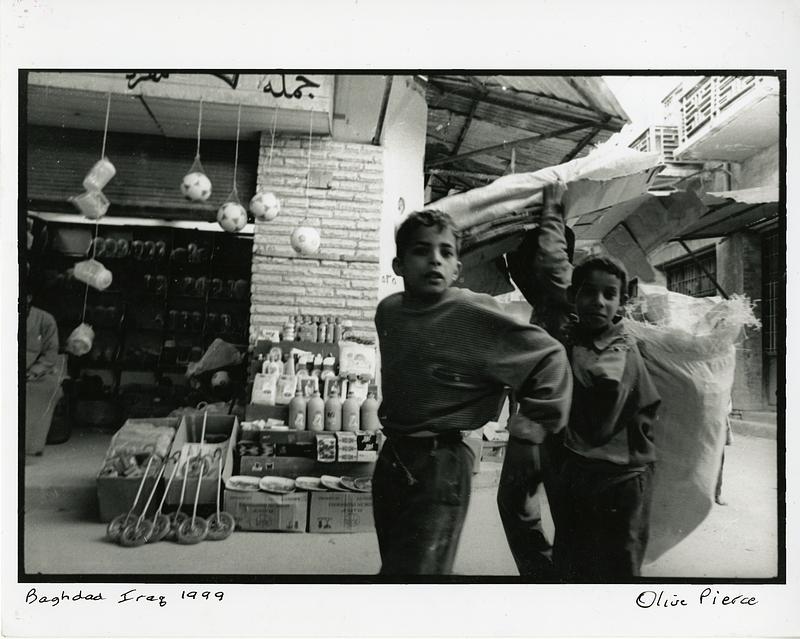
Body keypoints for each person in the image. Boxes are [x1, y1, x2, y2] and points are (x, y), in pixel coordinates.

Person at [372, 208, 572, 575]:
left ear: (457, 270)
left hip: (442, 462)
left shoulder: (471, 311)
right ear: (398, 265)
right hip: (393, 456)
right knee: (397, 564)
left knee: (416, 577)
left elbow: (549, 357)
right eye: (421, 250)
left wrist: (530, 431)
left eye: (446, 253)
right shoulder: (388, 312)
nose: (435, 259)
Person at [554, 256, 661, 582]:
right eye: (588, 292)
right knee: (573, 564)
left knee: (620, 571)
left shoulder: (622, 347)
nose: (598, 302)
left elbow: (603, 418)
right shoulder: (578, 340)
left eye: (609, 294)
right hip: (582, 474)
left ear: (621, 301)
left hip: (622, 479)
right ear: (573, 295)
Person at [498, 182, 574, 579]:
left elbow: (548, 259)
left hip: (557, 423)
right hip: (539, 419)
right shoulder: (547, 305)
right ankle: (546, 571)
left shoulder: (565, 292)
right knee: (518, 500)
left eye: (518, 265)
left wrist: (552, 211)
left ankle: (550, 574)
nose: (515, 275)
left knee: (530, 501)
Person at [26, 290, 64, 455]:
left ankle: (28, 446)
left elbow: (51, 353)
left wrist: (34, 372)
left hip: (34, 374)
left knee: (47, 387)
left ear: (28, 297)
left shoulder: (45, 319)